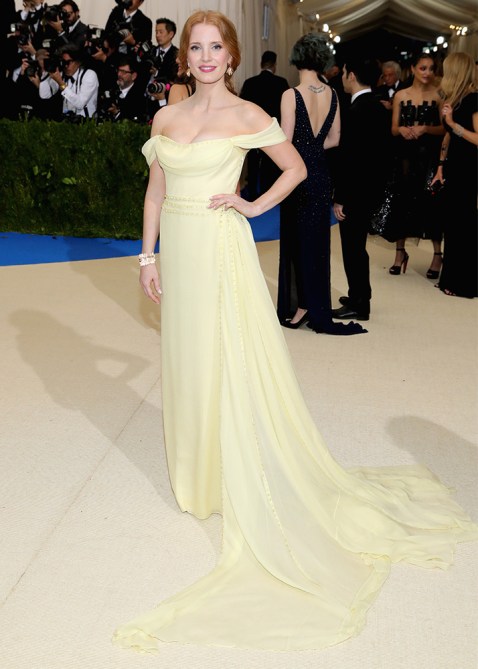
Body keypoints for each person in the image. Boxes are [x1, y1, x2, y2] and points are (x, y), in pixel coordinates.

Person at [112, 10, 478, 654]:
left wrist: (251, 205)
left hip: (220, 248)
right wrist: (147, 256)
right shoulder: (165, 118)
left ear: (231, 56)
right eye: (195, 47)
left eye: (214, 47)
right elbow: (153, 192)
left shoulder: (248, 114)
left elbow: (296, 168)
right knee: (187, 358)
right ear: (185, 56)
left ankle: (231, 471)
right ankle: (197, 473)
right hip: (180, 254)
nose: (204, 57)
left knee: (227, 357)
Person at [277, 34, 365, 335]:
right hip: (321, 175)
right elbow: (335, 139)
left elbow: (285, 142)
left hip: (297, 176)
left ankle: (302, 305)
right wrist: (313, 151)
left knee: (295, 240)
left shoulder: (291, 95)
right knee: (316, 242)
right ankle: (314, 304)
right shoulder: (333, 94)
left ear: (296, 58)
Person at [331, 57, 391, 321]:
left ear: (352, 75)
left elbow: (350, 160)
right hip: (371, 187)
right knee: (357, 247)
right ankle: (358, 294)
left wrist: (341, 197)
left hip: (356, 192)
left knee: (353, 248)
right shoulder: (378, 107)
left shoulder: (356, 111)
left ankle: (359, 302)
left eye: (344, 72)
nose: (343, 77)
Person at [386, 53, 444, 277]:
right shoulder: (401, 95)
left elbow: (445, 128)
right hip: (405, 157)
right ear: (412, 69)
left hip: (429, 156)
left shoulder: (439, 95)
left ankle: (437, 255)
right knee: (402, 201)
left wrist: (426, 128)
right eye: (422, 68)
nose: (427, 73)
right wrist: (401, 129)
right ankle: (400, 253)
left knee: (432, 203)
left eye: (431, 68)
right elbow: (393, 128)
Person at [431, 52, 478, 298]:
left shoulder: (474, 100)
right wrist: (440, 166)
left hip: (469, 169)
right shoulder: (456, 100)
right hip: (455, 167)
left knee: (463, 225)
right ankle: (451, 278)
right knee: (453, 224)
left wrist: (453, 124)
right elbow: (448, 137)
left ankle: (464, 283)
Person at [240, 50, 289, 198]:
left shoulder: (249, 83)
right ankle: (268, 194)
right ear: (274, 65)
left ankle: (253, 194)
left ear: (261, 64)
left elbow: (242, 108)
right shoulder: (281, 82)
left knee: (253, 164)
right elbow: (286, 109)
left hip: (253, 131)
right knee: (270, 164)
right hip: (272, 130)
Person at [39, 43, 99, 119]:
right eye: (63, 62)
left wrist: (61, 84)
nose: (65, 66)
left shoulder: (89, 75)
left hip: (86, 122)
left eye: (68, 62)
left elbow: (80, 103)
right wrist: (45, 72)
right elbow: (44, 95)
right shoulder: (62, 75)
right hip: (67, 121)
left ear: (78, 61)